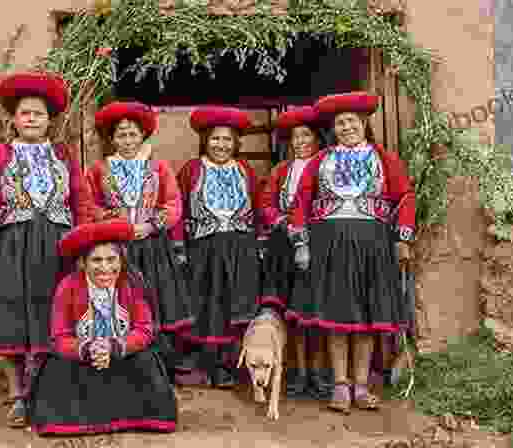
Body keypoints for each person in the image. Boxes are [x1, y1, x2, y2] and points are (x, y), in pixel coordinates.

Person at [0, 71, 94, 427]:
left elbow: (81, 201)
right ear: (14, 120)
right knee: (12, 318)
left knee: (51, 314)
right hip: (10, 249)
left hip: (56, 249)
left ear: (50, 121)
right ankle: (17, 395)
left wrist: (86, 247)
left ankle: (44, 390)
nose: (31, 118)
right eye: (25, 113)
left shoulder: (63, 156)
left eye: (39, 113)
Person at [286, 92, 415, 413]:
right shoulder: (320, 160)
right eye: (340, 123)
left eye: (352, 122)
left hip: (373, 244)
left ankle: (361, 385)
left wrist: (403, 237)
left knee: (367, 318)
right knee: (337, 317)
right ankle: (340, 385)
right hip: (329, 243)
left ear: (365, 123)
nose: (346, 127)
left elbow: (404, 197)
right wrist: (301, 243)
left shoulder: (383, 158)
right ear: (333, 128)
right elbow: (301, 200)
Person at [29, 221, 177, 435]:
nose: (105, 268)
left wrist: (114, 347)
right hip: (85, 358)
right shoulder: (67, 286)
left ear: (121, 259)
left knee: (146, 361)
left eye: (111, 259)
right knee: (58, 368)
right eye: (96, 260)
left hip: (122, 353)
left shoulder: (132, 283)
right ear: (83, 263)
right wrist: (89, 350)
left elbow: (144, 329)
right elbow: (59, 337)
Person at [85, 101, 194, 385]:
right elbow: (88, 205)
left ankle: (162, 369)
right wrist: (113, 223)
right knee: (123, 303)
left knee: (156, 302)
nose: (128, 140)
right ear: (112, 138)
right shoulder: (98, 170)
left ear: (142, 136)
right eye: (121, 135)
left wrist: (150, 225)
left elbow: (173, 204)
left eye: (133, 134)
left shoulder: (159, 168)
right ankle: (124, 367)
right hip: (117, 250)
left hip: (153, 246)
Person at [172, 106, 262, 388]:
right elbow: (178, 209)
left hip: (239, 246)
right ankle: (201, 363)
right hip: (203, 248)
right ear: (205, 141)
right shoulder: (192, 170)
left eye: (227, 140)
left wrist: (260, 242)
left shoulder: (245, 170)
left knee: (234, 302)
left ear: (236, 143)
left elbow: (258, 207)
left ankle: (226, 365)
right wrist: (178, 246)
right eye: (215, 139)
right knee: (206, 301)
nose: (221, 145)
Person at [257, 105, 330, 399]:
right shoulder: (281, 171)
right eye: (295, 137)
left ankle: (320, 372)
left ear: (317, 138)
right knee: (295, 312)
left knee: (321, 309)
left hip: (322, 243)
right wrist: (282, 221)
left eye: (306, 136)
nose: (300, 142)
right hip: (286, 245)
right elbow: (266, 204)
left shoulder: (328, 165)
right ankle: (298, 372)